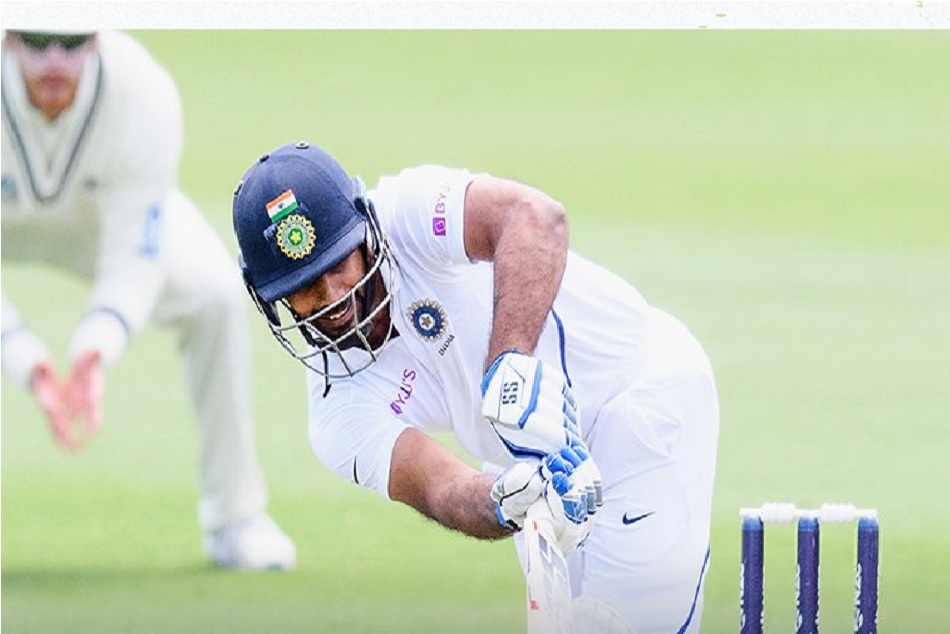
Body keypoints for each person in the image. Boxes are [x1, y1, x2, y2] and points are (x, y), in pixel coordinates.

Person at [231, 140, 720, 632]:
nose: (333, 296)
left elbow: (536, 217)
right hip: (535, 463)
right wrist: (505, 500)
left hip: (641, 398)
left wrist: (509, 364)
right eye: (305, 286)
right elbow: (441, 488)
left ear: (365, 234)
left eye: (338, 264)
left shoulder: (408, 211)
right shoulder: (336, 413)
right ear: (273, 300)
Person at [1, 30, 296, 571]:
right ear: (8, 38)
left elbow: (135, 255)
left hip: (101, 220)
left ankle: (236, 518)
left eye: (69, 41)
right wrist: (26, 361)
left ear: (94, 40)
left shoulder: (143, 91)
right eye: (37, 41)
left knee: (215, 293)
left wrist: (95, 350)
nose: (53, 60)